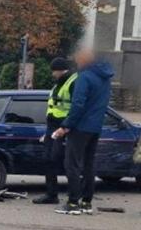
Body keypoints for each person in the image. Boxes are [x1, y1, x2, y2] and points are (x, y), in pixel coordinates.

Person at [53, 49, 114, 215]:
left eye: (78, 60)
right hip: (95, 128)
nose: (76, 62)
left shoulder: (84, 77)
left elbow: (78, 105)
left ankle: (73, 203)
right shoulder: (104, 78)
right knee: (88, 164)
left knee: (72, 164)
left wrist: (66, 126)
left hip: (80, 127)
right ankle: (86, 202)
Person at [32, 57, 78, 205]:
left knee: (61, 161)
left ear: (60, 70)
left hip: (64, 127)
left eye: (54, 71)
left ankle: (72, 198)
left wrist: (65, 128)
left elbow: (76, 108)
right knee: (48, 159)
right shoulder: (58, 83)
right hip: (52, 126)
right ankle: (51, 194)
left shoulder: (72, 82)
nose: (52, 74)